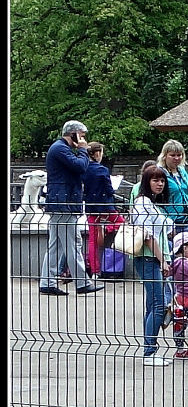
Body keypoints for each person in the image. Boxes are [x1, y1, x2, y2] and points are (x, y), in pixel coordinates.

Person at [40, 120, 103, 296]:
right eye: (81, 135)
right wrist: (83, 149)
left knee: (56, 245)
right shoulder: (60, 148)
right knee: (72, 243)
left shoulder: (61, 149)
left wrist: (80, 150)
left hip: (62, 202)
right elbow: (80, 166)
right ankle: (82, 283)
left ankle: (47, 281)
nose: (83, 139)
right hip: (63, 203)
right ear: (73, 133)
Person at [131, 167, 176, 366]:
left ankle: (150, 349)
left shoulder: (151, 203)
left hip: (152, 258)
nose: (159, 184)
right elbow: (148, 236)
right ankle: (149, 351)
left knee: (154, 305)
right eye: (155, 180)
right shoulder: (143, 202)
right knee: (158, 305)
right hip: (148, 258)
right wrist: (163, 260)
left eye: (162, 181)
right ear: (146, 182)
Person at [83, 142, 117, 278]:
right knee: (122, 226)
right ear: (97, 153)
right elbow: (109, 190)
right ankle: (108, 230)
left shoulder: (83, 169)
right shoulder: (102, 170)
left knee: (92, 239)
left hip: (91, 207)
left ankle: (95, 271)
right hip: (105, 206)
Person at [156, 139, 188, 228]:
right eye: (172, 155)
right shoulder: (159, 172)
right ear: (164, 156)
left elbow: (185, 192)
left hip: (185, 219)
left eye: (179, 155)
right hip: (168, 220)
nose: (176, 158)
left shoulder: (182, 172)